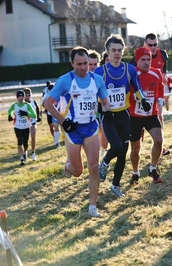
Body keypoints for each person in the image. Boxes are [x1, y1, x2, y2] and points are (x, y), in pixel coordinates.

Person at [44, 46, 110, 217]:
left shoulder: (97, 80)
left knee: (94, 166)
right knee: (77, 171)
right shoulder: (65, 81)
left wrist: (109, 111)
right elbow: (48, 104)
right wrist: (63, 122)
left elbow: (105, 102)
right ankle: (68, 167)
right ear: (72, 63)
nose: (83, 67)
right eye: (79, 64)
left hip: (90, 128)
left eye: (86, 63)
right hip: (72, 130)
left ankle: (93, 206)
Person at [94, 34, 150, 198]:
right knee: (116, 147)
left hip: (124, 115)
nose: (117, 53)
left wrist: (143, 101)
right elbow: (93, 94)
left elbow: (137, 87)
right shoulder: (100, 72)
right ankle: (104, 163)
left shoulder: (129, 69)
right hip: (108, 116)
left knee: (123, 152)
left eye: (119, 50)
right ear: (107, 52)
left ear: (123, 51)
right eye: (113, 50)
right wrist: (100, 110)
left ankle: (116, 185)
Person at [129, 47, 165, 185]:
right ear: (137, 60)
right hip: (135, 116)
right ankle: (135, 171)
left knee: (159, 140)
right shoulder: (132, 73)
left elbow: (160, 88)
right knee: (135, 148)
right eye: (143, 60)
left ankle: (152, 168)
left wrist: (160, 98)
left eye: (149, 59)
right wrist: (136, 98)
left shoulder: (156, 72)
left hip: (151, 114)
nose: (146, 62)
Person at [130, 33, 170, 156]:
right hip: (138, 99)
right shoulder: (134, 60)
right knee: (135, 141)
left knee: (159, 116)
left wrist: (163, 77)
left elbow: (163, 70)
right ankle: (140, 133)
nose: (153, 47)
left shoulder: (162, 54)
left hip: (155, 93)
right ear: (145, 44)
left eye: (155, 45)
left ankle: (161, 145)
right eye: (150, 45)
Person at [8, 90, 37, 166]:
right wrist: (10, 116)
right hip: (17, 127)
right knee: (19, 141)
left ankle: (25, 152)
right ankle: (21, 158)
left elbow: (34, 115)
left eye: (22, 96)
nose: (21, 98)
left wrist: (26, 113)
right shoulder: (14, 105)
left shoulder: (27, 105)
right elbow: (10, 111)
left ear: (24, 97)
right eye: (19, 96)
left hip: (26, 126)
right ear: (17, 97)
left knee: (25, 143)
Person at [89, 49, 108, 158]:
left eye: (95, 64)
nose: (92, 67)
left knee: (103, 131)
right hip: (87, 112)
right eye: (90, 64)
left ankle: (103, 153)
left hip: (101, 108)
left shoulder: (102, 76)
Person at [23, 87, 41, 160]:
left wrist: (38, 116)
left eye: (29, 95)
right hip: (25, 123)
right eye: (26, 95)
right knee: (25, 139)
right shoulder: (22, 103)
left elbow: (37, 109)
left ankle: (33, 153)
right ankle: (25, 152)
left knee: (33, 137)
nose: (28, 96)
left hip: (33, 121)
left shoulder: (33, 102)